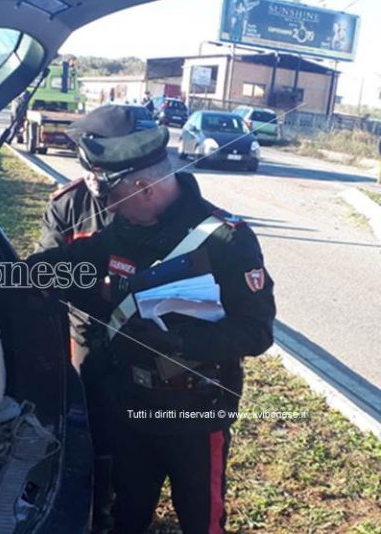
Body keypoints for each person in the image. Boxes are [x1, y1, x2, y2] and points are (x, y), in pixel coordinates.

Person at [28, 123, 276, 533]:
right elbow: (70, 259)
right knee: (128, 514)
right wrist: (14, 274)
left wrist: (177, 342)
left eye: (112, 196)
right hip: (131, 406)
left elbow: (257, 332)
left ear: (146, 188)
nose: (107, 207)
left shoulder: (226, 240)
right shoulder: (125, 228)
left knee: (202, 519)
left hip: (196, 412)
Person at [37, 105, 142, 532]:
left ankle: (130, 506)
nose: (102, 182)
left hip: (142, 340)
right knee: (90, 426)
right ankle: (96, 509)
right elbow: (47, 271)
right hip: (85, 334)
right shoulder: (67, 204)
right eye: (94, 170)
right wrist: (97, 289)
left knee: (138, 434)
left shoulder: (150, 203)